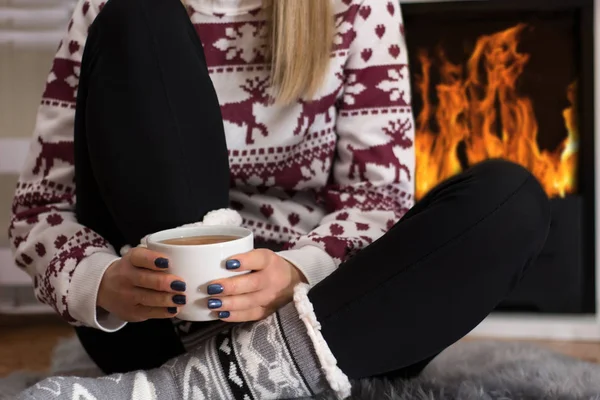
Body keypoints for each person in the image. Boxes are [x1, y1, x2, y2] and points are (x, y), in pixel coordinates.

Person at [10, 0, 550, 398]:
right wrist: (104, 281)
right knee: (138, 16)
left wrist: (294, 274)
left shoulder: (358, 8)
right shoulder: (106, 10)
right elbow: (40, 208)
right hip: (159, 316)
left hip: (329, 311)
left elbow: (378, 201)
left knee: (513, 203)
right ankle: (243, 377)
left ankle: (192, 387)